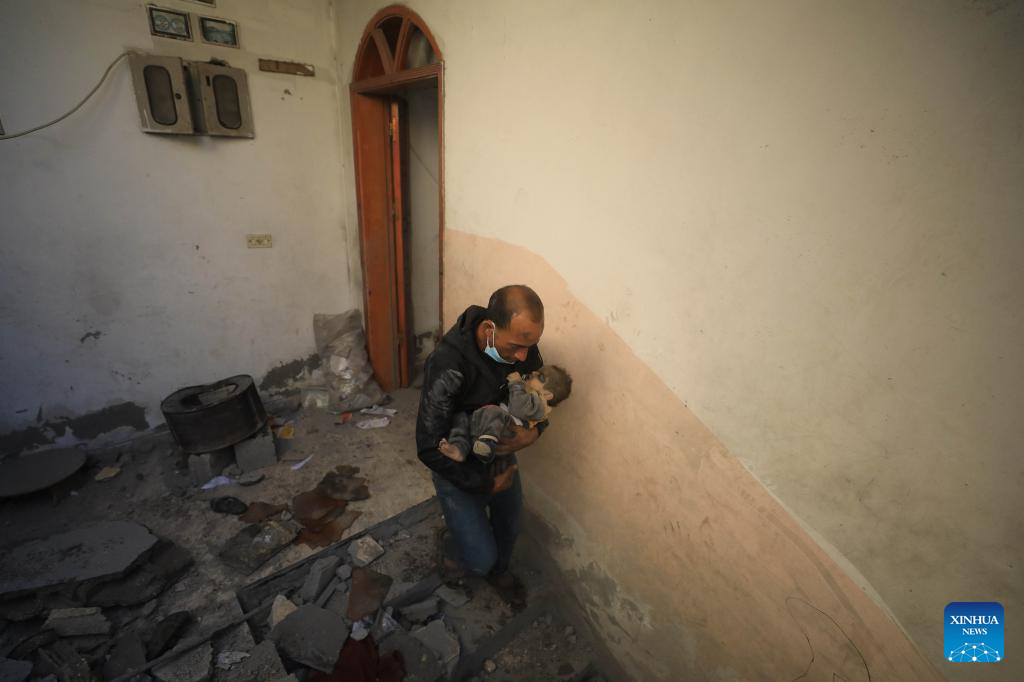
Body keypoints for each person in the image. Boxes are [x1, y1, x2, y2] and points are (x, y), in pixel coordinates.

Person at [415, 284, 547, 606]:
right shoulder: (448, 366)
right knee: (478, 559)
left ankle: (499, 572)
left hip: (499, 453)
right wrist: (485, 484)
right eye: (516, 347)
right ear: (489, 328)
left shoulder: (523, 350)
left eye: (530, 346)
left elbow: (538, 399)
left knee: (510, 526)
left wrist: (535, 432)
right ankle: (455, 548)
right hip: (456, 461)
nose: (524, 357)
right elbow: (429, 447)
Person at [437, 365, 573, 463]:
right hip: (492, 420)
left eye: (541, 376)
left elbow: (517, 409)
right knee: (461, 418)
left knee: (494, 412)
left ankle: (487, 445)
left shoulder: (539, 404)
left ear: (547, 395)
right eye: (538, 371)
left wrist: (516, 383)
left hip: (507, 427)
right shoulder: (528, 391)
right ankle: (459, 449)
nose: (534, 372)